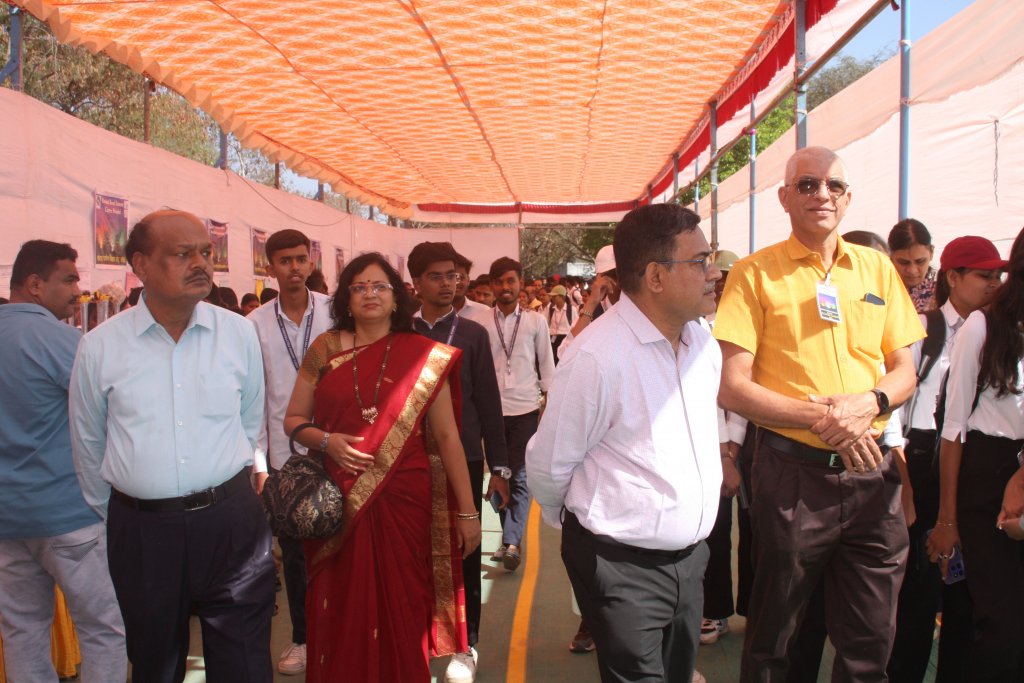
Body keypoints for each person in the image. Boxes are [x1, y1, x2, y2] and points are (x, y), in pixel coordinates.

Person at [714, 147, 924, 682]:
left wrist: (869, 404)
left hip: (872, 474)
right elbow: (733, 387)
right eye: (807, 184)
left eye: (834, 185)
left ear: (848, 199)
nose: (822, 194)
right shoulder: (753, 275)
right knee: (777, 638)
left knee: (870, 641)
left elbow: (904, 370)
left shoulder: (877, 268)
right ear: (784, 197)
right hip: (792, 479)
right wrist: (826, 419)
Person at [69, 209, 274, 683]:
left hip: (231, 523)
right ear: (141, 265)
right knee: (155, 662)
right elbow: (88, 443)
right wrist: (129, 511)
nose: (200, 263)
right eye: (182, 254)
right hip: (143, 530)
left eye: (205, 252)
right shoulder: (100, 347)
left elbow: (249, 421)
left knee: (244, 660)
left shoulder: (238, 333)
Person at [527, 203, 723, 683]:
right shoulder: (596, 357)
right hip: (622, 566)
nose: (714, 273)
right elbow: (550, 464)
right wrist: (581, 524)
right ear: (655, 276)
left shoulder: (702, 344)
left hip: (691, 559)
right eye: (700, 261)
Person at [282, 252, 482, 683]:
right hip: (337, 501)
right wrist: (328, 442)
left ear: (397, 298)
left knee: (402, 603)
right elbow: (293, 420)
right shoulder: (325, 348)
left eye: (379, 286)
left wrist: (468, 513)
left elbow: (448, 438)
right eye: (359, 287)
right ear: (346, 299)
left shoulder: (423, 355)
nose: (369, 294)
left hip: (405, 501)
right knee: (340, 603)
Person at [0, 240, 127, 683]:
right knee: (103, 629)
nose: (78, 291)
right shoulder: (61, 340)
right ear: (35, 284)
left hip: (7, 518)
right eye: (69, 279)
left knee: (22, 630)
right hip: (67, 513)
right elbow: (109, 411)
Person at [887, 235, 1004, 683]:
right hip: (922, 467)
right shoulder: (922, 330)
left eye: (999, 276)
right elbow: (893, 416)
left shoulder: (1000, 333)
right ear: (953, 277)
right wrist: (906, 488)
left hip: (974, 473)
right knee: (915, 600)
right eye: (984, 275)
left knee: (967, 601)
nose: (994, 284)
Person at [408, 240, 511, 683]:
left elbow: (488, 404)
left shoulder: (473, 334)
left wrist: (499, 467)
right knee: (414, 552)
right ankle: (416, 638)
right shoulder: (401, 332)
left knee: (465, 550)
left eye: (452, 275)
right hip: (409, 461)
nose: (447, 284)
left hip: (463, 459)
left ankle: (467, 645)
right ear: (415, 283)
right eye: (436, 276)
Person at [928, 227, 1024, 682]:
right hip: (986, 478)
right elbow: (954, 430)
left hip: (1019, 474)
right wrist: (948, 519)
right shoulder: (982, 326)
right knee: (1003, 624)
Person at [247, 228, 334, 676]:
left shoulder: (336, 312)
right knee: (296, 557)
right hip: (285, 459)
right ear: (270, 268)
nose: (294, 268)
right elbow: (252, 400)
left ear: (311, 262)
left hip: (338, 449)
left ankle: (341, 635)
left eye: (301, 259)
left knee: (342, 549)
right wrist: (260, 464)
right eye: (285, 261)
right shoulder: (254, 325)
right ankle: (303, 638)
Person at [473, 257, 556, 572]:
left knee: (519, 475)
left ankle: (512, 541)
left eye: (511, 281)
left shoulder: (536, 321)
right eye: (499, 282)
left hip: (525, 408)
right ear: (492, 286)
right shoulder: (481, 322)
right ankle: (509, 538)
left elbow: (546, 364)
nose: (505, 287)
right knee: (499, 475)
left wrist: (549, 405)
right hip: (491, 410)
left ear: (520, 283)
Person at [888, 218, 937, 312]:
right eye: (903, 262)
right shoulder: (878, 290)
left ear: (931, 253)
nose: (912, 270)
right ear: (890, 257)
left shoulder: (944, 295)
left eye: (920, 261)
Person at [544, 284, 576, 363]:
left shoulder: (571, 309)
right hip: (552, 339)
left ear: (562, 296)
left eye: (555, 296)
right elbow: (546, 323)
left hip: (565, 339)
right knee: (553, 362)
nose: (553, 298)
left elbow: (575, 325)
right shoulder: (551, 309)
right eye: (552, 296)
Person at [453, 254, 489, 318]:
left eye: (461, 277)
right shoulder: (434, 312)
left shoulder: (484, 311)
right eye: (452, 277)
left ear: (468, 280)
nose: (457, 283)